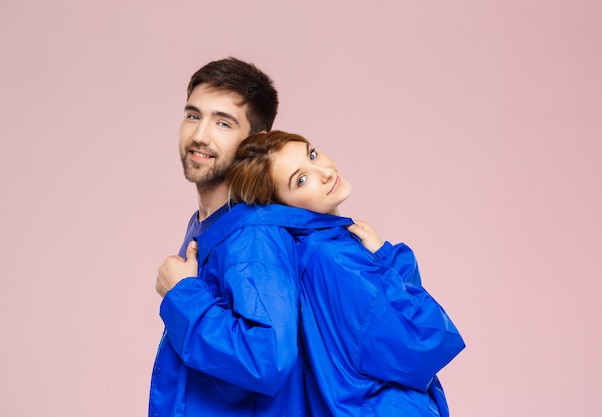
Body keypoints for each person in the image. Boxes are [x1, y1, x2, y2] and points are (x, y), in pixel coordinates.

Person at [222, 130, 466, 416]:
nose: (324, 172)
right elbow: (421, 341)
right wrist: (387, 258)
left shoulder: (313, 252)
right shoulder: (333, 258)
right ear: (281, 206)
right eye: (301, 180)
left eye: (312, 155)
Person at [149, 59, 308, 416]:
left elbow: (267, 359)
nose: (200, 135)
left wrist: (183, 295)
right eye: (193, 115)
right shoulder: (208, 223)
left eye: (223, 122)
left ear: (256, 142)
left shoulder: (253, 236)